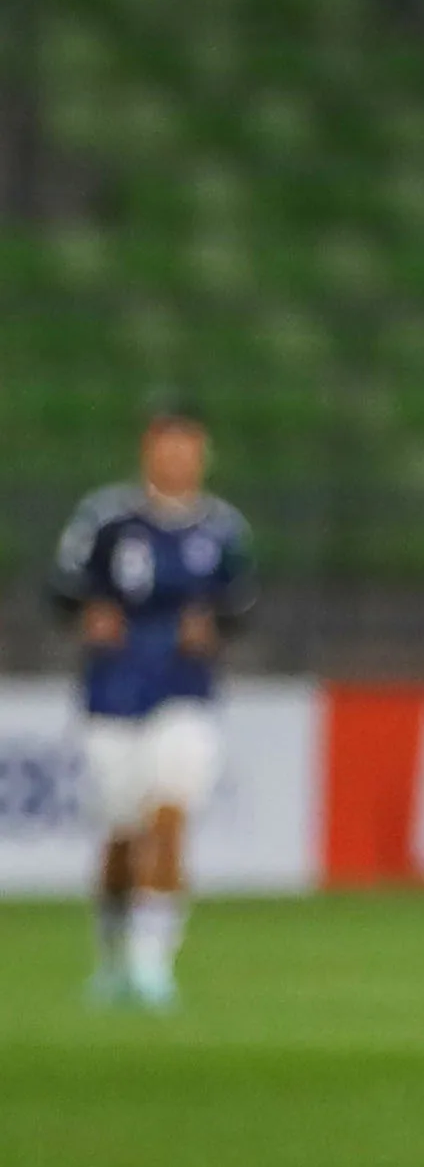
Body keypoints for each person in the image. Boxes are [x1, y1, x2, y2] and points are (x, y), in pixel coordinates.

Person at [49, 404, 255, 1010]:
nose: (177, 460)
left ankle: (152, 964)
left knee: (170, 814)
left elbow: (241, 605)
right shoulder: (106, 519)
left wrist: (212, 626)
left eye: (188, 449)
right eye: (167, 448)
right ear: (148, 452)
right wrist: (91, 613)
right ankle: (113, 957)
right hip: (113, 690)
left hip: (183, 689)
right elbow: (62, 589)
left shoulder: (221, 529)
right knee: (119, 834)